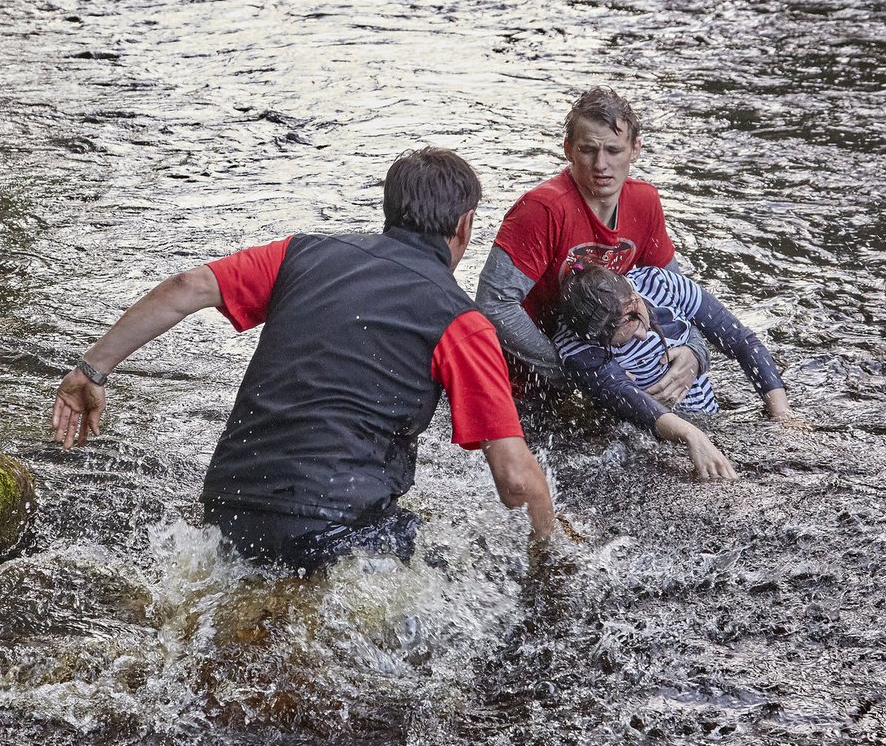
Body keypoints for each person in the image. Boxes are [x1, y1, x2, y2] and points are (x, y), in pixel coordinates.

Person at [51, 147, 555, 574]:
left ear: (389, 210)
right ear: (465, 225)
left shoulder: (303, 254)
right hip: (335, 526)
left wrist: (91, 370)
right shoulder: (462, 321)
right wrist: (551, 552)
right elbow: (514, 478)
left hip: (230, 501)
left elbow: (189, 287)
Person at [476, 87, 707, 404]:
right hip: (524, 380)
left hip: (603, 366)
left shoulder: (644, 202)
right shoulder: (541, 209)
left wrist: (695, 352)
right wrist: (578, 373)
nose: (601, 164)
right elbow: (494, 304)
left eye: (613, 150)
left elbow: (676, 295)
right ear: (568, 149)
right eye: (588, 150)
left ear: (635, 148)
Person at [555, 263, 793, 480]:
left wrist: (782, 417)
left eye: (636, 319)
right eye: (621, 343)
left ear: (632, 294)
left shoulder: (661, 283)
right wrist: (692, 436)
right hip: (646, 452)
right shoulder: (575, 347)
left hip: (713, 422)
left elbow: (742, 342)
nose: (641, 335)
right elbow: (622, 393)